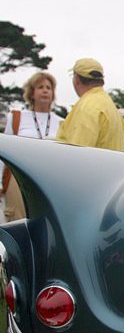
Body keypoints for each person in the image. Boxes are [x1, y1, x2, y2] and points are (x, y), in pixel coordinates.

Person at [2, 71, 64, 221]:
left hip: (50, 179)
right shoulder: (16, 117)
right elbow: (3, 152)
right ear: (32, 93)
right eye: (40, 87)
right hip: (19, 178)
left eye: (48, 88)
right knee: (17, 221)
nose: (45, 90)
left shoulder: (62, 122)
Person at [56, 58, 124, 151]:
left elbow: (76, 153)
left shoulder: (85, 108)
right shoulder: (112, 108)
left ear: (76, 79)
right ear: (101, 80)